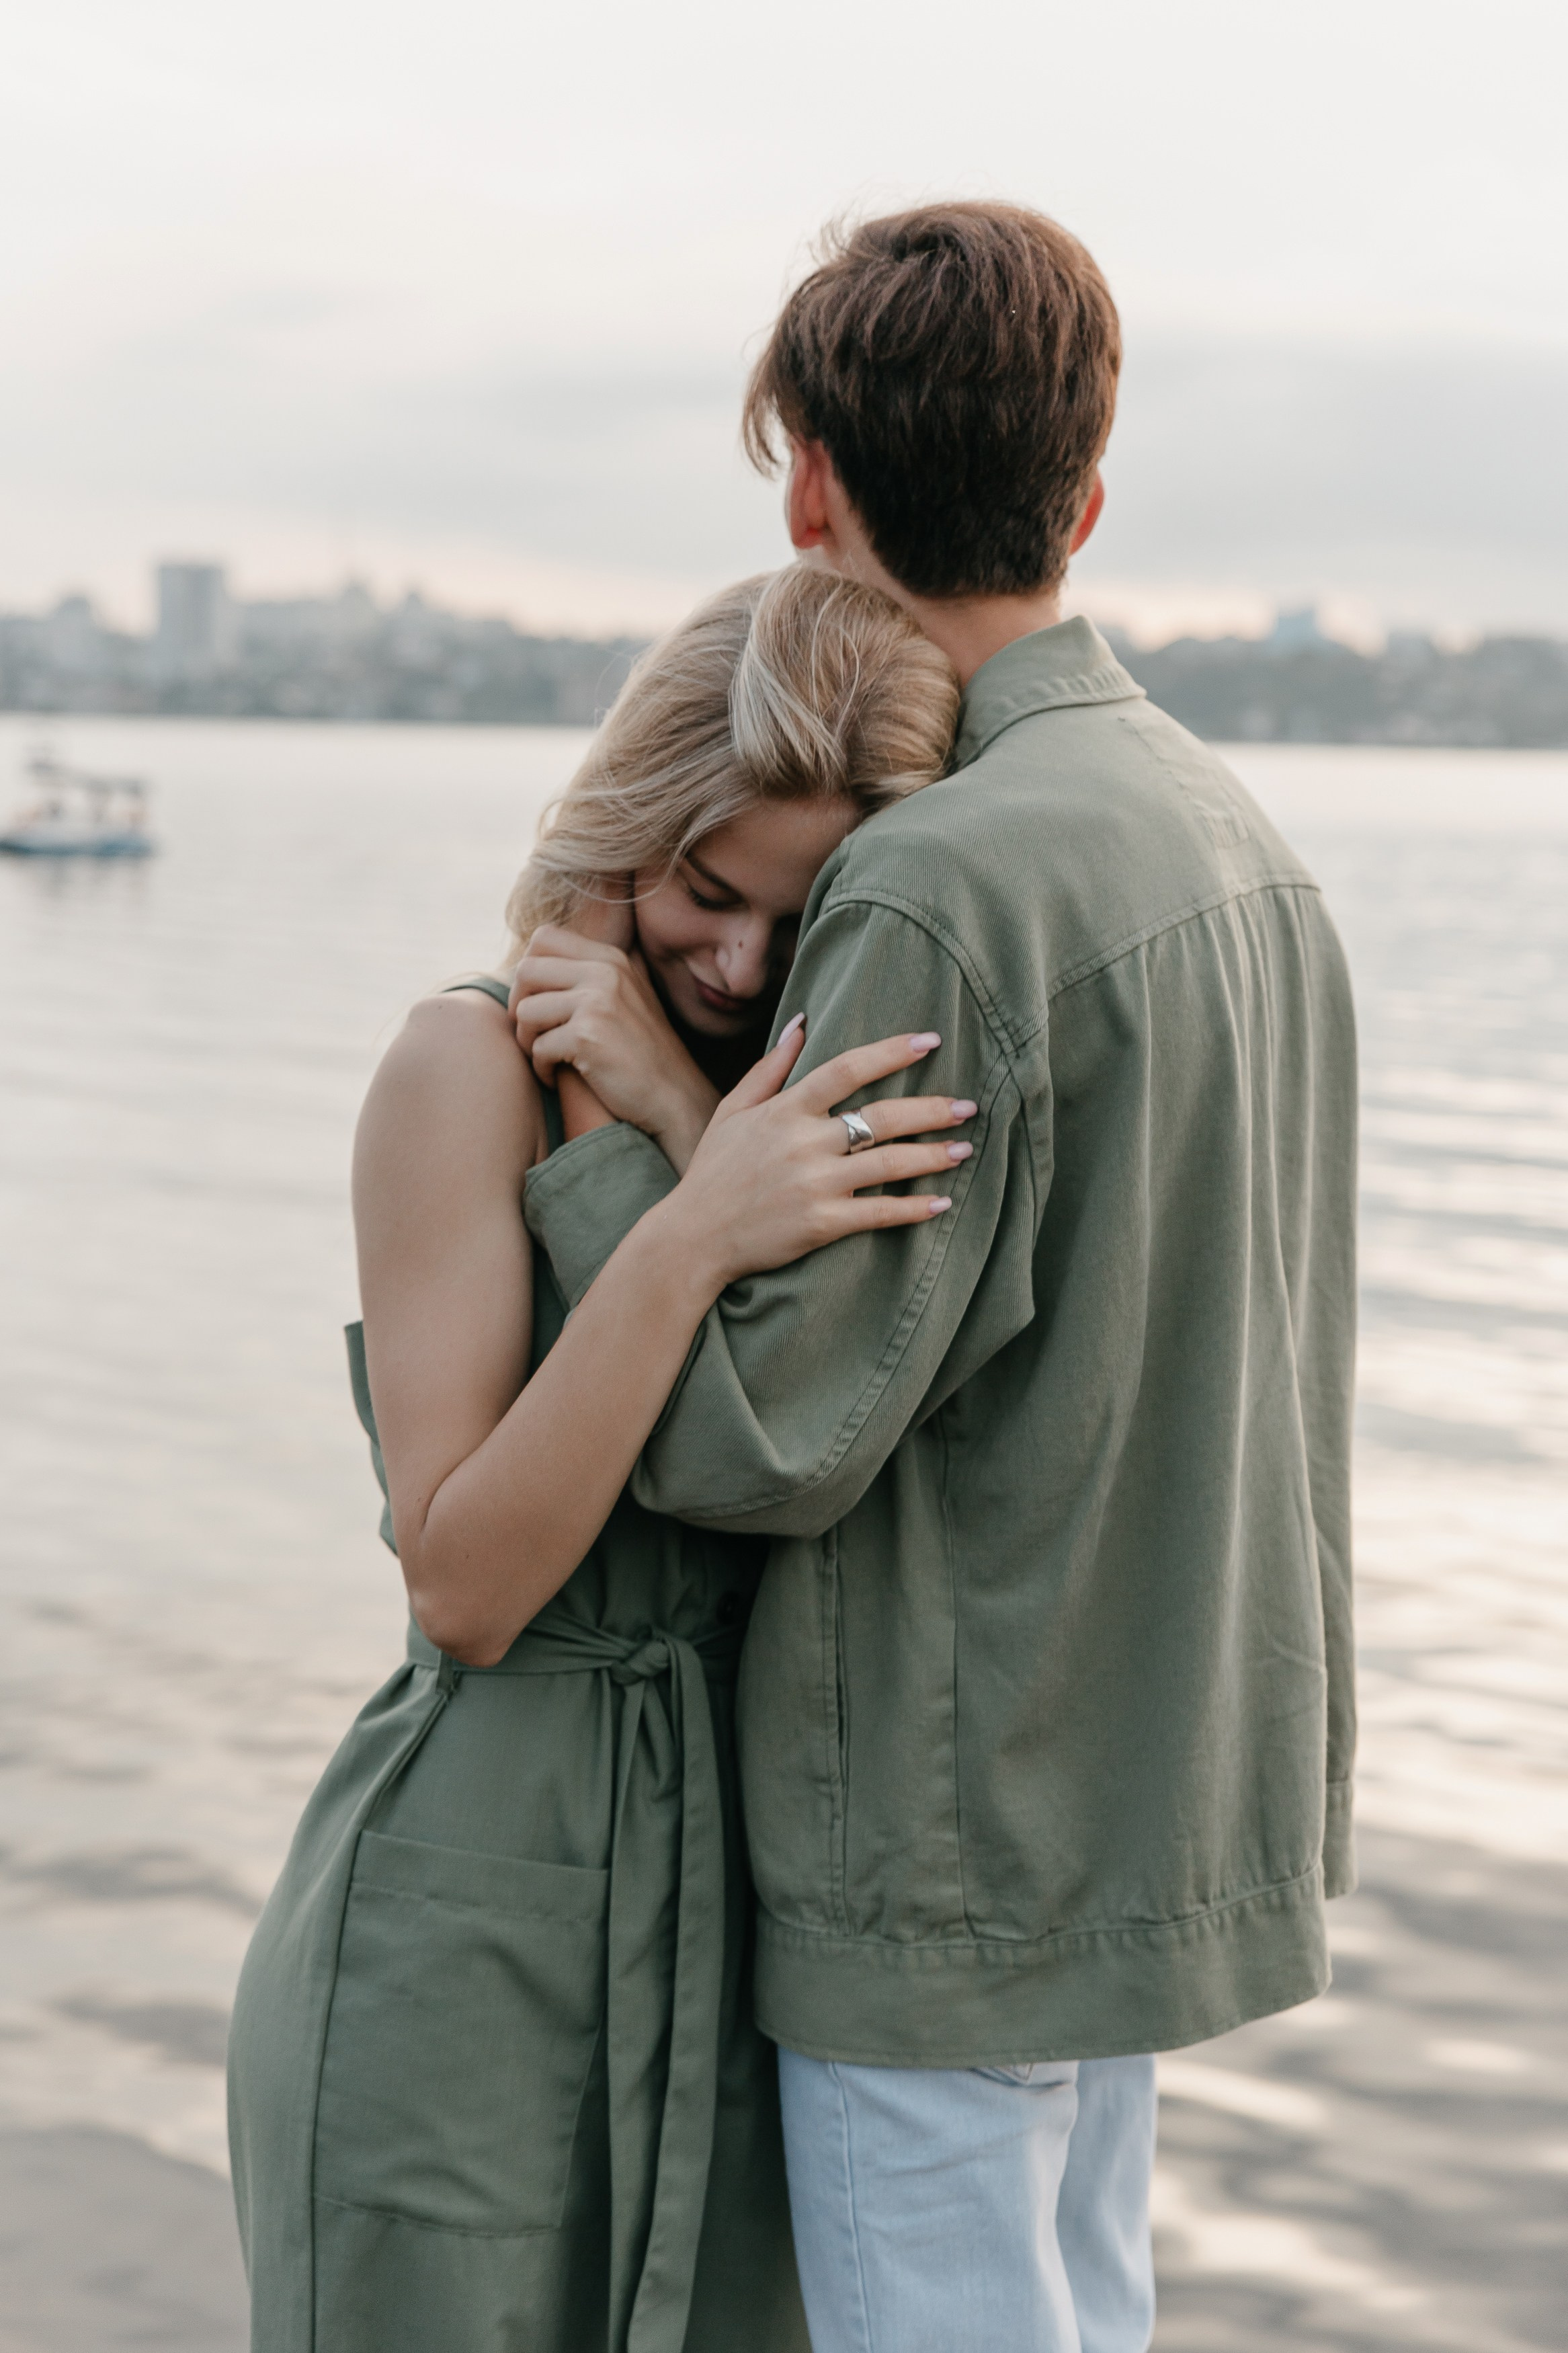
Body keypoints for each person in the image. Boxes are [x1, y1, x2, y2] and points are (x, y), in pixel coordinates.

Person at [513, 202, 1359, 2353]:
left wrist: (633, 1149)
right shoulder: (1236, 838)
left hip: (950, 1842)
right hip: (1145, 1797)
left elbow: (752, 1434)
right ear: (1083, 499)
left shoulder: (935, 880)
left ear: (810, 490)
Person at [224, 565, 968, 2353]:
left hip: (736, 1917)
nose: (732, 964)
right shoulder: (459, 1066)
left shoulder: (768, 1105)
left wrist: (688, 1123)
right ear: (627, 831)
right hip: (458, 1924)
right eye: (707, 892)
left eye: (794, 930)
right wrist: (690, 1219)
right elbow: (466, 1579)